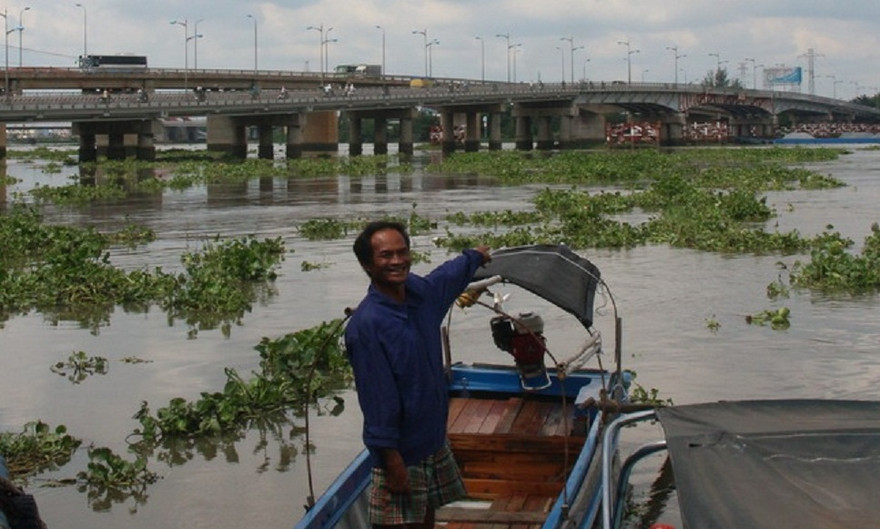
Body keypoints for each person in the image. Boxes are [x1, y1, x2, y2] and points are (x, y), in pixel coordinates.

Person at [345, 221, 490, 528]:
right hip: (402, 450)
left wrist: (474, 257)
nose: (397, 261)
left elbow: (447, 277)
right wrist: (391, 459)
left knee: (426, 516)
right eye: (386, 255)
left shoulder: (420, 296)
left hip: (431, 438)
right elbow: (377, 401)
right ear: (367, 265)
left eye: (402, 252)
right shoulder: (368, 325)